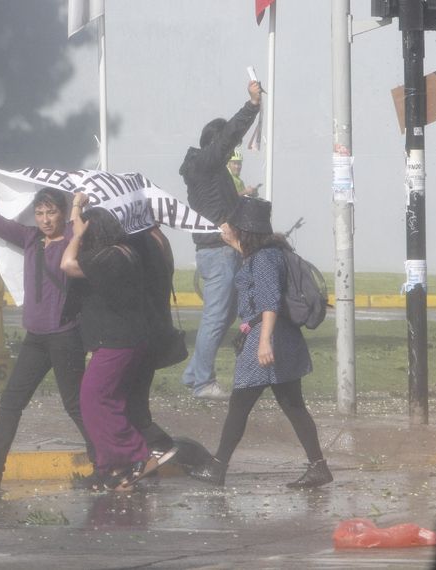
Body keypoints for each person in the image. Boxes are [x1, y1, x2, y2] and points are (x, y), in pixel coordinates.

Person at [0, 165, 94, 488]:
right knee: (11, 402)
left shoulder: (72, 241)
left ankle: (105, 463)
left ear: (61, 214)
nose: (46, 219)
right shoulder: (31, 237)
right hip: (36, 338)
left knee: (75, 404)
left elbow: (78, 228)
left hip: (64, 337)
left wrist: (77, 205)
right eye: (40, 212)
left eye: (52, 212)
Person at [189, 196, 332, 489]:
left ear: (246, 230)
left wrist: (264, 342)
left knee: (239, 406)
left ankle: (217, 468)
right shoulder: (269, 252)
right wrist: (232, 243)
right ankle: (319, 467)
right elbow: (255, 270)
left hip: (267, 339)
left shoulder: (264, 258)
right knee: (293, 406)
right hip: (284, 339)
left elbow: (269, 301)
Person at [61, 195, 176, 491]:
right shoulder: (124, 251)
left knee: (94, 399)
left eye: (87, 230)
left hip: (117, 341)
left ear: (94, 232)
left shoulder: (109, 258)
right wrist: (77, 206)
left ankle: (136, 454)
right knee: (108, 402)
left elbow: (67, 264)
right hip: (123, 339)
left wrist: (78, 235)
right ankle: (110, 466)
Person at [180, 80, 262, 401]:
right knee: (216, 316)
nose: (230, 150)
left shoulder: (208, 172)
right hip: (218, 250)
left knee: (225, 313)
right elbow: (230, 134)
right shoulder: (206, 163)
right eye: (225, 146)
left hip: (222, 249)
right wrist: (252, 105)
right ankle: (203, 382)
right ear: (214, 145)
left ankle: (193, 374)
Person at [124, 226, 176, 454]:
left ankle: (156, 444)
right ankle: (147, 452)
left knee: (129, 402)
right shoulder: (157, 238)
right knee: (137, 399)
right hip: (154, 328)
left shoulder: (135, 243)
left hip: (138, 332)